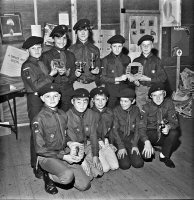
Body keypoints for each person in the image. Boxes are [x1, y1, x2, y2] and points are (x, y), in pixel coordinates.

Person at [32, 83, 91, 194]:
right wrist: (64, 157)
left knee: (85, 185)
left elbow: (65, 135)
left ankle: (60, 169)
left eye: (55, 95)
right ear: (42, 98)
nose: (52, 99)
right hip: (46, 156)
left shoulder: (63, 114)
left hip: (62, 152)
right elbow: (40, 149)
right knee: (67, 177)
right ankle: (48, 175)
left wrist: (70, 143)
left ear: (60, 97)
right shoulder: (39, 119)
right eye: (48, 96)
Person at [21, 36, 57, 179]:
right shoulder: (27, 66)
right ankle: (36, 165)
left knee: (47, 131)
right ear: (28, 50)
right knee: (36, 133)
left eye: (39, 47)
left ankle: (48, 162)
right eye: (33, 48)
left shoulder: (41, 62)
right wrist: (50, 75)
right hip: (35, 100)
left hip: (45, 99)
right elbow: (35, 85)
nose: (37, 50)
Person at [138, 82, 179, 168]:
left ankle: (164, 155)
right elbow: (141, 127)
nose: (158, 98)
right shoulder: (146, 107)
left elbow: (175, 122)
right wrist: (147, 141)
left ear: (164, 94)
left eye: (160, 94)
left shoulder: (169, 103)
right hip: (149, 134)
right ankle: (151, 146)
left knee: (174, 133)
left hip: (162, 133)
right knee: (146, 157)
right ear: (150, 96)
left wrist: (168, 126)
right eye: (155, 95)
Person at [66, 88, 103, 179]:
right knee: (88, 177)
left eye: (85, 102)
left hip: (86, 145)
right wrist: (82, 161)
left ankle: (89, 159)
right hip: (73, 149)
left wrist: (95, 155)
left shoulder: (91, 114)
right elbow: (74, 142)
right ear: (72, 101)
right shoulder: (67, 116)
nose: (82, 106)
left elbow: (94, 135)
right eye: (78, 102)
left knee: (99, 173)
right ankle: (79, 163)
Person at [42, 25, 79, 112]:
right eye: (58, 38)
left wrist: (68, 73)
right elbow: (43, 78)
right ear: (53, 39)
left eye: (64, 38)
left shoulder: (71, 55)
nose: (62, 41)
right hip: (53, 92)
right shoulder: (46, 56)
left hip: (69, 92)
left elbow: (74, 77)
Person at [132, 34, 167, 110]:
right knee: (140, 110)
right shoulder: (136, 61)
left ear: (152, 46)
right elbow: (132, 75)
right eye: (143, 45)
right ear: (140, 46)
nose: (146, 47)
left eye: (148, 45)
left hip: (153, 89)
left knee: (152, 110)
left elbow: (163, 78)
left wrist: (149, 79)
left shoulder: (157, 60)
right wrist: (134, 81)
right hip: (140, 89)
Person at [112, 88, 144, 169]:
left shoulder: (136, 110)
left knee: (138, 164)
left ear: (132, 101)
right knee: (125, 165)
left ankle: (130, 152)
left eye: (126, 101)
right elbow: (115, 131)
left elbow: (137, 128)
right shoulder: (116, 110)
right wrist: (121, 147)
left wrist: (134, 144)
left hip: (131, 138)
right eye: (121, 100)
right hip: (119, 138)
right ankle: (118, 152)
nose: (122, 103)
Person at [90, 87, 119, 172]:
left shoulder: (110, 112)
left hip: (106, 142)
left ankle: (107, 151)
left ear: (107, 99)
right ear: (92, 100)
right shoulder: (89, 113)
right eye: (97, 99)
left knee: (115, 166)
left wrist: (111, 143)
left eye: (103, 99)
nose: (100, 102)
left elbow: (113, 129)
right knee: (105, 169)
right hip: (96, 143)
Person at [69, 19, 101, 92]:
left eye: (85, 30)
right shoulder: (71, 50)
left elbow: (99, 67)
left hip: (92, 85)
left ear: (89, 32)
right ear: (76, 33)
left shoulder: (95, 49)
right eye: (80, 30)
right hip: (76, 84)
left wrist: (97, 71)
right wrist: (74, 74)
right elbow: (68, 71)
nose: (83, 33)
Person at [101, 34, 131, 108]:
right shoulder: (105, 60)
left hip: (124, 89)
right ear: (110, 47)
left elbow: (129, 73)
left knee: (122, 111)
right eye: (114, 46)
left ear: (122, 46)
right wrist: (117, 79)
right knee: (110, 111)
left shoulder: (127, 59)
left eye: (119, 46)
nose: (117, 49)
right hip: (111, 90)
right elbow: (102, 78)